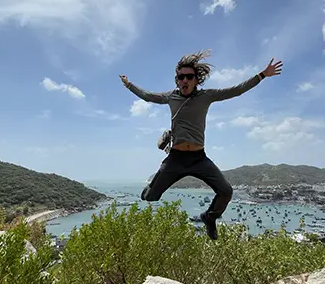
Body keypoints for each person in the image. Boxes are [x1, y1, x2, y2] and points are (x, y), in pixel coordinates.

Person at [120, 50, 283, 240]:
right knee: (150, 197)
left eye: (189, 76)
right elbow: (148, 96)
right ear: (177, 80)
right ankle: (151, 189)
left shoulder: (207, 96)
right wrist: (129, 85)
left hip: (199, 158)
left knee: (226, 192)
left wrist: (262, 75)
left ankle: (209, 217)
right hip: (176, 159)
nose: (184, 80)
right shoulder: (171, 97)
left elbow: (236, 90)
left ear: (196, 79)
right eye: (181, 77)